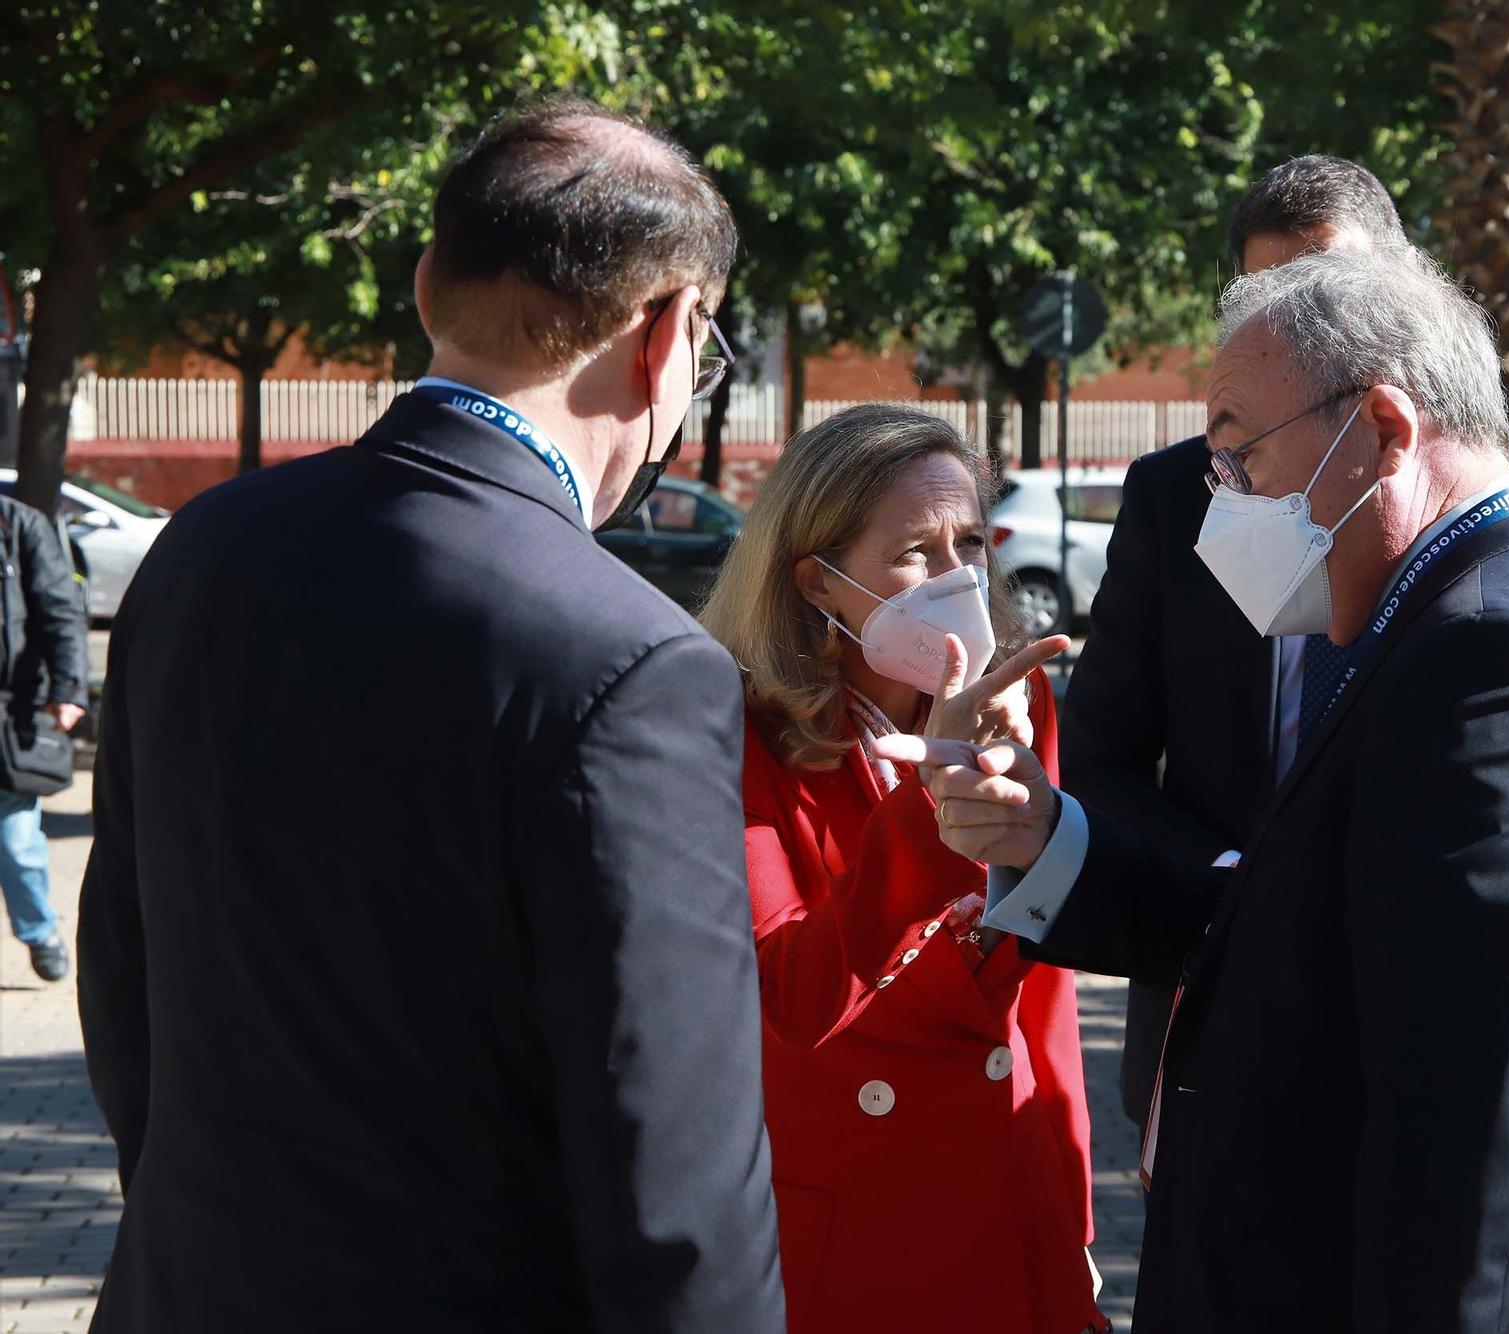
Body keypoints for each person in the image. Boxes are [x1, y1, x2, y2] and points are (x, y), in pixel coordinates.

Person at [882, 247, 1509, 1332]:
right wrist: (1046, 834)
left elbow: (1468, 1110)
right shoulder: (1462, 609)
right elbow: (1305, 919)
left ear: (1380, 429)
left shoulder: (1492, 650)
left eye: (1239, 455)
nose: (1224, 502)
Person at [75, 99, 783, 1332]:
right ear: (669, 334)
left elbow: (122, 973)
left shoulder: (201, 549)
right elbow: (674, 1169)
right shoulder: (636, 658)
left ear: (422, 283)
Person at [1061, 153, 1509, 1129]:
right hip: (1209, 1009)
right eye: (1272, 297)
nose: (1306, 322)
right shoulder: (1177, 494)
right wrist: (1236, 897)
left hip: (1420, 1035)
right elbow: (1103, 758)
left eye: (1332, 289)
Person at [700, 404, 1105, 1334]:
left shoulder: (1021, 696)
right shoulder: (737, 723)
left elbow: (1039, 984)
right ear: (818, 584)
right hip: (858, 1199)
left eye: (970, 540)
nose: (958, 577)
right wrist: (931, 812)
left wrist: (1070, 1193)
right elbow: (794, 990)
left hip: (1007, 1177)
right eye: (916, 553)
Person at [0, 491, 87, 982]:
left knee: (16, 842)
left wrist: (69, 687)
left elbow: (60, 612)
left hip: (10, 716)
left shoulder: (19, 527)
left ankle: (39, 932)